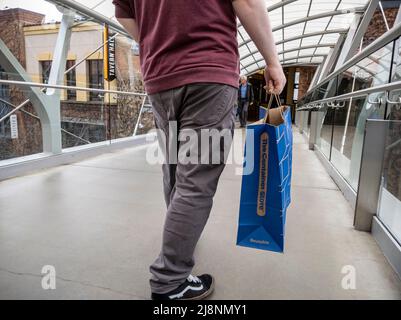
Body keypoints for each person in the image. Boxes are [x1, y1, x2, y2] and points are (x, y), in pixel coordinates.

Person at [113, 0, 286, 300]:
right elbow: (246, 2)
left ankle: (181, 238)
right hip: (207, 73)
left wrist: (158, 36)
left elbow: (123, 13)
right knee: (196, 180)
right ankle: (169, 281)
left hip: (160, 78)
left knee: (174, 169)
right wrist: (272, 61)